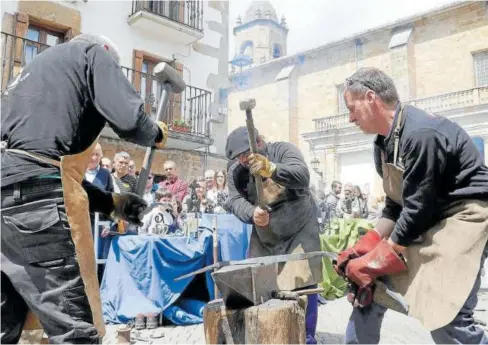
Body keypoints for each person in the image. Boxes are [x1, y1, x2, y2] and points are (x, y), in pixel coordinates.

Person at [0, 33, 168, 343]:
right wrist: (155, 132)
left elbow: (34, 167)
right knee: (74, 331)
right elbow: (130, 121)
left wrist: (111, 203)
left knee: (5, 326)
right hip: (34, 207)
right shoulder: (93, 53)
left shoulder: (28, 76)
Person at [334, 67, 488, 344]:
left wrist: (373, 262)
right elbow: (396, 205)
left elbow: (417, 210)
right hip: (427, 218)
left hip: (465, 217)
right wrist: (365, 245)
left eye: (351, 107)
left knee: (448, 319)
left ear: (370, 98)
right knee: (369, 289)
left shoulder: (421, 133)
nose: (349, 117)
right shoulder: (383, 143)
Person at [224, 127, 322, 344]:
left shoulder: (284, 150)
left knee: (305, 282)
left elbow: (302, 175)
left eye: (245, 155)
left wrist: (271, 168)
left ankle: (306, 337)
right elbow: (233, 201)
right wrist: (251, 213)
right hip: (265, 231)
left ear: (259, 141)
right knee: (259, 282)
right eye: (239, 157)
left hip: (300, 225)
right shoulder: (236, 171)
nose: (243, 161)